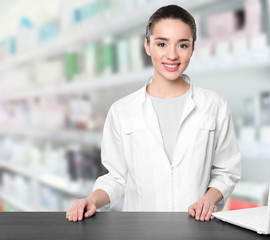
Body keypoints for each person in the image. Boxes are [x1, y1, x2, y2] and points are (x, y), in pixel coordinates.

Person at [66, 4, 241, 222]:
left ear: (193, 48)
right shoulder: (122, 111)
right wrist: (92, 200)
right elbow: (115, 177)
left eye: (183, 45)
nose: (172, 55)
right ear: (147, 46)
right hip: (141, 230)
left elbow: (227, 171)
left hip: (197, 228)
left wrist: (209, 199)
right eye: (162, 44)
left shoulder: (214, 105)